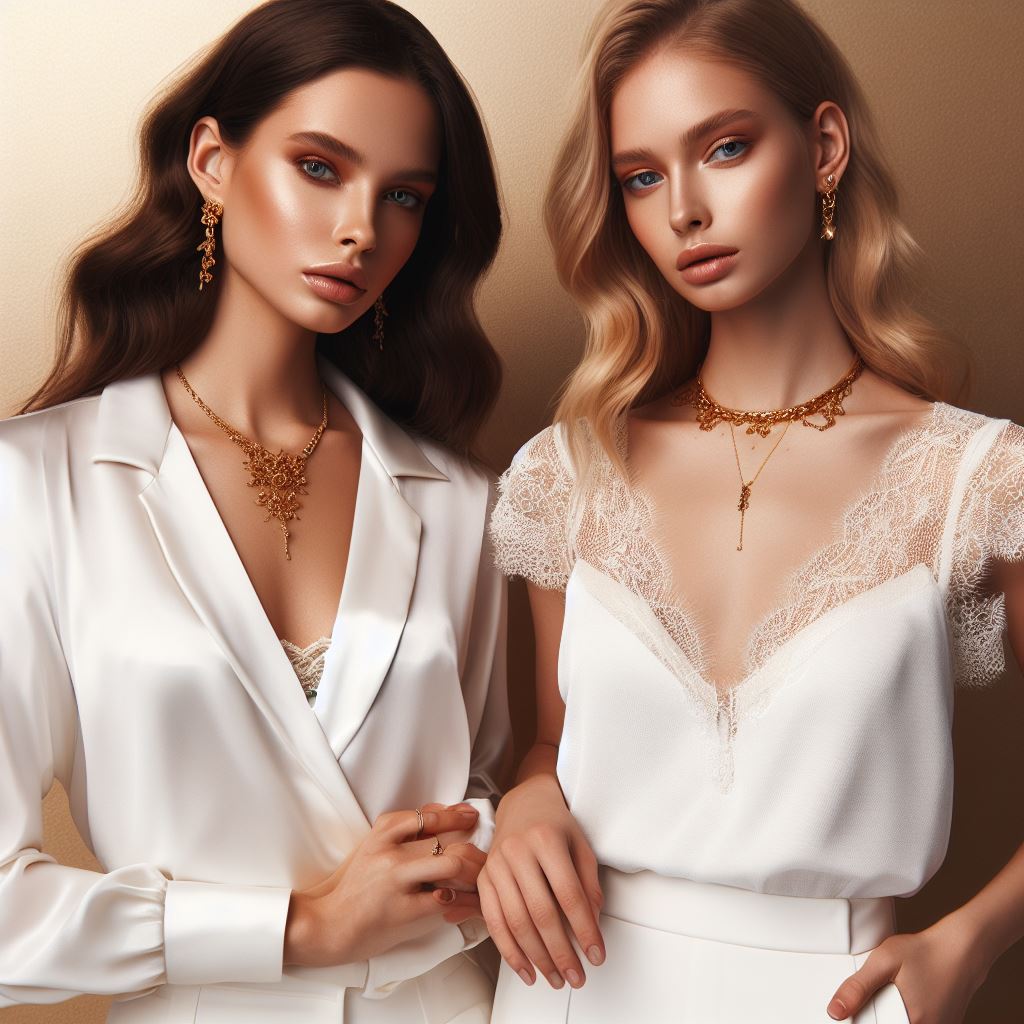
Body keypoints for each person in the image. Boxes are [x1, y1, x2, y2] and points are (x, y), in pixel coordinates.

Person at [483, 0, 1023, 1021]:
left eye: (723, 148)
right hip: (569, 991)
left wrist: (973, 938)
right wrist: (523, 799)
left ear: (822, 147)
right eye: (641, 176)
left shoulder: (975, 479)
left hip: (834, 995)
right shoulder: (568, 471)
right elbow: (551, 746)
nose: (682, 208)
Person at [0, 1, 511, 1021]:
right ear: (212, 162)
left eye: (403, 196)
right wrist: (302, 927)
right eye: (319, 167)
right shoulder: (37, 483)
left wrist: (502, 834)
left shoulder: (463, 505)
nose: (363, 228)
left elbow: (491, 808)